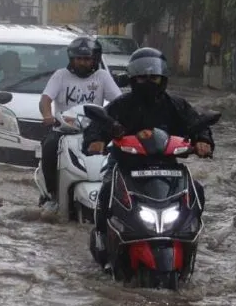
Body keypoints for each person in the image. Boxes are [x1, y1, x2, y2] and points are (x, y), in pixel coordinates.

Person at [82, 47, 214, 240]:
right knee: (106, 191)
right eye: (142, 78)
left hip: (168, 168)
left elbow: (195, 124)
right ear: (133, 79)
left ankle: (190, 234)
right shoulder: (121, 104)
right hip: (126, 165)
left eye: (154, 78)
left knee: (197, 191)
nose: (148, 83)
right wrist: (95, 141)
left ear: (163, 78)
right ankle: (102, 237)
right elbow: (100, 124)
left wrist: (203, 141)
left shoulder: (176, 105)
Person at [37, 36, 124, 213]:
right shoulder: (60, 75)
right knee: (49, 146)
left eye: (86, 59)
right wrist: (47, 115)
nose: (82, 62)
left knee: (120, 150)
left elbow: (120, 101)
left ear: (94, 59)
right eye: (79, 59)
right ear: (72, 59)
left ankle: (116, 192)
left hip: (96, 131)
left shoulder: (102, 76)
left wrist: (120, 120)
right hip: (64, 129)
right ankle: (52, 194)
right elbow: (46, 99)